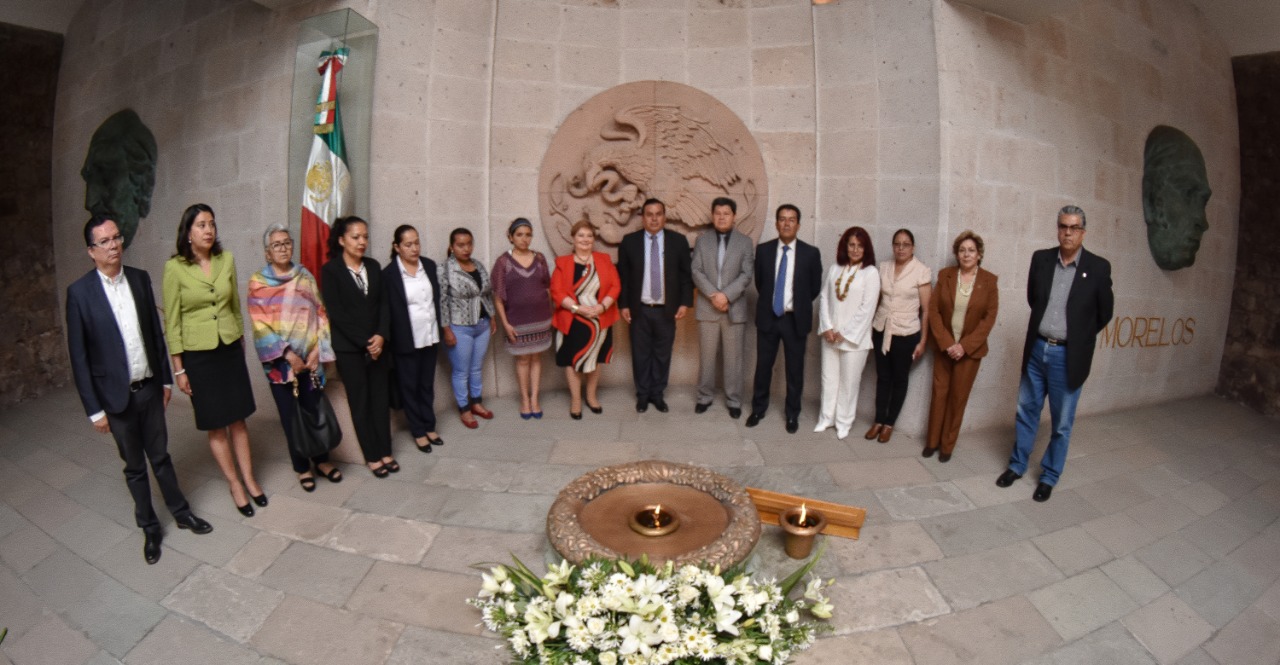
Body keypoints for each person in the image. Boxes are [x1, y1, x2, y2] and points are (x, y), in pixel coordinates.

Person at [66, 215, 213, 564]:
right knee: (134, 466)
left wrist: (165, 379)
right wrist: (94, 411)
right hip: (114, 399)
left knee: (160, 456)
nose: (114, 245)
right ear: (91, 251)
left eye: (116, 237)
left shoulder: (139, 278)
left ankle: (181, 512)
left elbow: (154, 335)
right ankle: (149, 528)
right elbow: (79, 358)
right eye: (104, 241)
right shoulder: (80, 294)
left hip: (149, 389)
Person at [996, 206, 1113, 502]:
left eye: (1074, 227)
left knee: (1061, 423)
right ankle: (1017, 465)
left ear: (1083, 232)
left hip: (1068, 357)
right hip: (1037, 349)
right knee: (1026, 411)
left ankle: (1049, 476)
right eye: (1063, 226)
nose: (1067, 233)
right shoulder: (1042, 259)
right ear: (1058, 229)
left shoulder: (1098, 268)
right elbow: (1033, 299)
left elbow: (1104, 313)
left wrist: (1078, 337)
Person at [163, 203, 263, 517]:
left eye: (212, 224)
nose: (208, 230)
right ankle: (234, 484)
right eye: (201, 225)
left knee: (239, 419)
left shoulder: (226, 260)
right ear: (188, 232)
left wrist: (240, 340)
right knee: (216, 425)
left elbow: (234, 306)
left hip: (229, 349)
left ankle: (250, 478)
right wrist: (179, 369)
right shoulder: (175, 268)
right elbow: (173, 323)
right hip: (198, 357)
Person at [247, 224, 342, 492]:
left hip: (310, 361)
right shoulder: (258, 283)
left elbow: (321, 313)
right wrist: (288, 354)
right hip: (281, 366)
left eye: (287, 242)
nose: (283, 248)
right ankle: (302, 468)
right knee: (291, 418)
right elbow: (259, 325)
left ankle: (322, 461)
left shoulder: (305, 276)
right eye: (277, 245)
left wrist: (317, 351)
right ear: (267, 252)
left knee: (314, 410)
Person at [321, 216, 399, 476]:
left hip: (378, 345)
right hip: (350, 349)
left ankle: (386, 451)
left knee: (380, 399)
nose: (362, 242)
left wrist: (381, 336)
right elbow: (337, 313)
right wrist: (366, 343)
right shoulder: (331, 271)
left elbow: (384, 305)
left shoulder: (374, 266)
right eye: (355, 237)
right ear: (342, 240)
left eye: (365, 236)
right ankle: (372, 455)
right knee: (360, 402)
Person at [746, 204, 823, 434]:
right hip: (769, 317)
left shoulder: (811, 253)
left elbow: (814, 288)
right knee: (763, 367)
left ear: (798, 224)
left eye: (791, 219)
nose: (786, 223)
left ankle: (792, 414)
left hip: (795, 319)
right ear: (776, 223)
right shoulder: (764, 250)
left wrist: (795, 305)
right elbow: (760, 283)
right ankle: (758, 409)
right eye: (782, 219)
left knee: (794, 370)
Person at [924, 231, 999, 462]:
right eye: (962, 250)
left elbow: (989, 318)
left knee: (958, 398)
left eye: (971, 250)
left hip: (969, 353)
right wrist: (947, 343)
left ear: (979, 255)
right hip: (944, 348)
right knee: (939, 395)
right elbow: (934, 311)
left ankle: (947, 446)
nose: (966, 254)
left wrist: (963, 346)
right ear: (957, 254)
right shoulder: (945, 275)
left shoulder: (989, 281)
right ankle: (932, 442)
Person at [616, 198, 693, 413]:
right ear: (642, 217)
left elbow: (686, 276)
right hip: (639, 310)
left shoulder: (678, 241)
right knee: (640, 354)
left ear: (664, 217)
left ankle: (657, 394)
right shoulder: (629, 242)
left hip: (666, 310)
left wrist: (685, 303)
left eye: (658, 214)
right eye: (649, 214)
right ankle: (642, 395)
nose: (654, 218)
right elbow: (623, 277)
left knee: (662, 354)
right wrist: (623, 305)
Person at [865, 228, 933, 444]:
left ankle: (889, 423)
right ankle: (878, 420)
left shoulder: (921, 271)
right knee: (883, 377)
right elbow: (877, 299)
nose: (901, 248)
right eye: (897, 244)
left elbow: (927, 310)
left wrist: (923, 341)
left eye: (906, 244)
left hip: (906, 333)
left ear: (913, 247)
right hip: (881, 329)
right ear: (893, 246)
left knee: (899, 378)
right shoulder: (884, 267)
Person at [690, 197, 754, 419]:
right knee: (706, 357)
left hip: (733, 309)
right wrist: (714, 295)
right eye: (717, 213)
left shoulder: (745, 242)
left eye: (726, 213)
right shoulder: (702, 241)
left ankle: (734, 400)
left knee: (734, 359)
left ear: (734, 216)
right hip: (708, 307)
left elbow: (746, 274)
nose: (721, 217)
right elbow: (696, 270)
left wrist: (726, 296)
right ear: (712, 215)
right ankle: (704, 397)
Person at [814, 226, 880, 440]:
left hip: (854, 340)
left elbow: (867, 308)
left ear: (866, 249)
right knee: (828, 379)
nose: (855, 249)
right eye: (851, 245)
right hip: (830, 336)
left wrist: (845, 333)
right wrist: (827, 327)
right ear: (845, 246)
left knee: (849, 384)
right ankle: (826, 417)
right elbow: (824, 298)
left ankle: (843, 422)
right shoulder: (835, 268)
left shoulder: (870, 273)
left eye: (860, 246)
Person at [384, 225, 445, 452]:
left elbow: (435, 301)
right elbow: (388, 311)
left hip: (430, 335)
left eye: (417, 242)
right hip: (406, 339)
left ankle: (429, 426)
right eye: (408, 244)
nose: (414, 248)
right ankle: (418, 431)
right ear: (397, 247)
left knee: (426, 385)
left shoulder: (428, 265)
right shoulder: (389, 274)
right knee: (409, 387)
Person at [551, 221, 620, 419]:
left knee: (594, 359)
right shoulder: (563, 263)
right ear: (573, 239)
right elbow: (556, 291)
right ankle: (575, 400)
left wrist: (602, 306)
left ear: (594, 239)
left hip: (599, 320)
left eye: (589, 236)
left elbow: (615, 286)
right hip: (573, 320)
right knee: (573, 361)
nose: (585, 239)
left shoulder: (604, 260)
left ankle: (591, 396)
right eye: (581, 235)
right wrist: (577, 308)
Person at [491, 218, 553, 419]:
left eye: (528, 234)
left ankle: (535, 398)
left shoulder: (540, 258)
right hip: (517, 321)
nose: (524, 239)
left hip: (541, 319)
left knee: (536, 358)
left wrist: (550, 314)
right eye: (519, 235)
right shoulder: (503, 262)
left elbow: (547, 287)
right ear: (510, 237)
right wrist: (505, 324)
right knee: (523, 359)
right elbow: (498, 297)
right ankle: (524, 399)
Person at [438, 228, 497, 428]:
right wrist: (446, 329)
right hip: (459, 327)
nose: (466, 249)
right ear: (452, 247)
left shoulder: (478, 265)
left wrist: (492, 316)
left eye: (469, 244)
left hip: (482, 325)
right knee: (461, 371)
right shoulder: (445, 269)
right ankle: (464, 409)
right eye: (461, 245)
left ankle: (477, 403)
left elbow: (486, 294)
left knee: (476, 367)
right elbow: (441, 301)